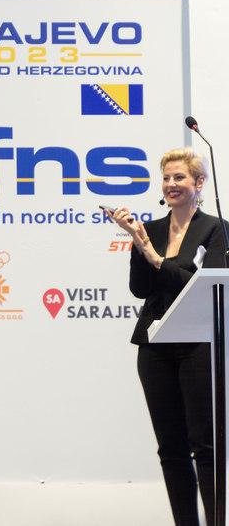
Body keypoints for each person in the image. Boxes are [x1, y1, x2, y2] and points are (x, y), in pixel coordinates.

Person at [108, 146, 228, 526]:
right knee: (170, 449)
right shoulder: (152, 230)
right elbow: (140, 289)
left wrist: (155, 257)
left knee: (204, 446)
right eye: (166, 178)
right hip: (154, 346)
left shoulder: (215, 229)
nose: (171, 184)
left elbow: (205, 288)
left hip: (198, 346)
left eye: (179, 177)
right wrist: (138, 244)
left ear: (199, 182)